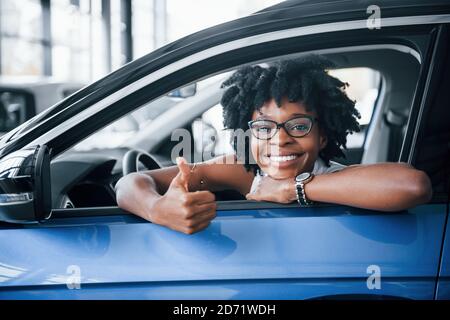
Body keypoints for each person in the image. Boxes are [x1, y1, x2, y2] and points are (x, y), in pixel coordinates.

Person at [115, 55, 432, 234]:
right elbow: (130, 184)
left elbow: (414, 185)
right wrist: (158, 208)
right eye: (264, 127)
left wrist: (293, 187)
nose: (280, 138)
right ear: (248, 133)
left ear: (322, 135)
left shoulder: (336, 178)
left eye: (298, 126)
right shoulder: (244, 171)